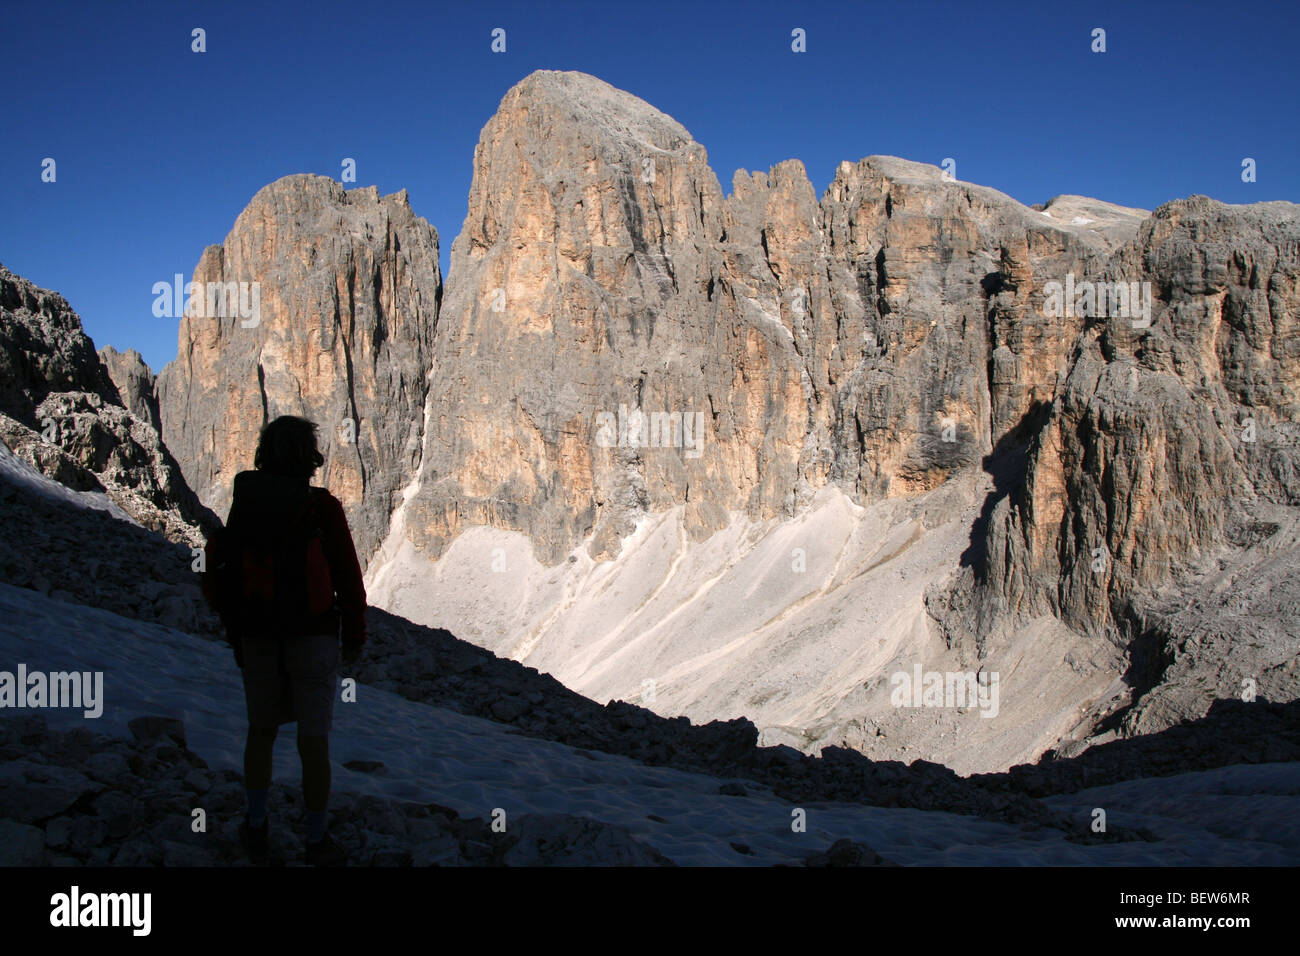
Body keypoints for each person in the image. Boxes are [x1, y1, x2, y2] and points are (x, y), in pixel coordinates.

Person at [201, 415, 366, 866]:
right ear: (308, 458)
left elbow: (227, 565)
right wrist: (354, 634)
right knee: (314, 742)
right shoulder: (321, 506)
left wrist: (235, 626)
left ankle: (256, 825)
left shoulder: (245, 501)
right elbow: (348, 576)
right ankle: (316, 839)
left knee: (261, 730)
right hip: (312, 637)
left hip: (256, 634)